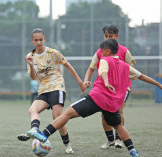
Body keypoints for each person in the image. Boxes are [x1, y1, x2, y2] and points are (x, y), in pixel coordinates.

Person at [26, 39, 162, 157]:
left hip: (97, 98)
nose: (101, 53)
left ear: (107, 51)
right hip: (112, 104)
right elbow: (142, 76)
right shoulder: (126, 66)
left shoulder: (105, 60)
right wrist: (158, 84)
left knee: (67, 113)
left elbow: (102, 71)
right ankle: (133, 151)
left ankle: (43, 134)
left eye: (102, 51)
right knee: (118, 126)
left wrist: (106, 82)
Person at [17, 28, 86, 154]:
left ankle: (67, 145)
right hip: (43, 90)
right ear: (32, 41)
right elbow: (33, 77)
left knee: (57, 117)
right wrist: (31, 65)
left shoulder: (53, 53)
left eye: (41, 40)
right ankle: (34, 130)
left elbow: (68, 66)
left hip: (57, 87)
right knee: (32, 110)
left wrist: (80, 82)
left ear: (44, 39)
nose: (39, 42)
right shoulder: (30, 57)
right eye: (36, 40)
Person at [84, 25, 136, 148]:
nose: (108, 38)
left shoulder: (124, 51)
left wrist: (121, 79)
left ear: (117, 37)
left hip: (122, 88)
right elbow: (91, 68)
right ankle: (110, 140)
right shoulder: (99, 51)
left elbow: (131, 69)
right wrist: (85, 80)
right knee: (104, 114)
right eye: (106, 36)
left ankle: (119, 140)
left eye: (111, 36)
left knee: (118, 111)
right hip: (104, 88)